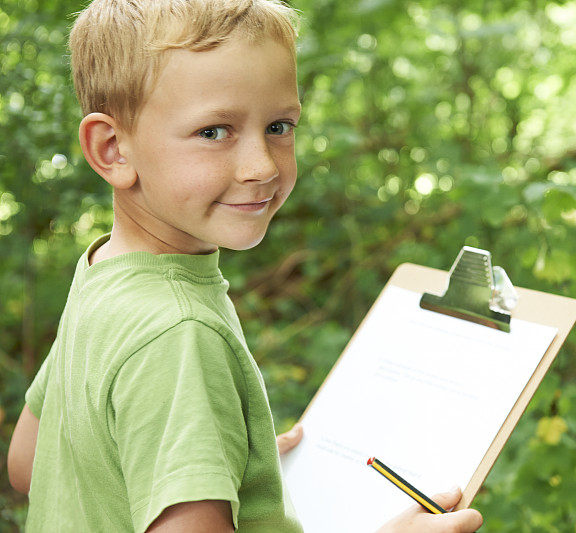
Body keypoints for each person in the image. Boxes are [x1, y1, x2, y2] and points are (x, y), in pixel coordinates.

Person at [5, 1, 484, 532]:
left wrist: (219, 462)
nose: (261, 166)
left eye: (280, 125)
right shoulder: (179, 331)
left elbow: (29, 463)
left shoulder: (103, 272)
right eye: (214, 132)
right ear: (113, 149)